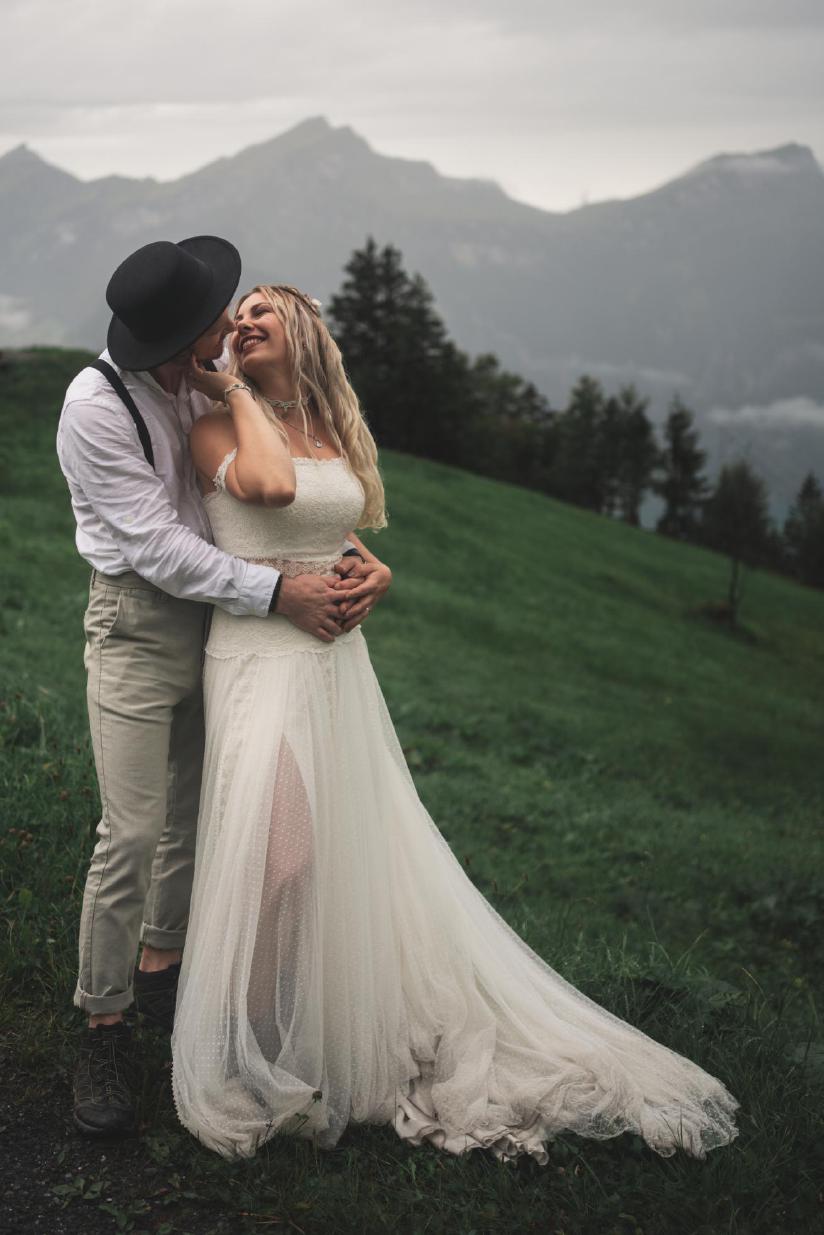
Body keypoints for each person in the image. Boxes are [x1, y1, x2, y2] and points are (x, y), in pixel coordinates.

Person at [171, 284, 740, 1163]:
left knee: (337, 854)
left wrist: (378, 572)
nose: (241, 324)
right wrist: (232, 387)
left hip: (333, 667)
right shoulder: (217, 422)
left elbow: (339, 523)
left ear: (305, 335)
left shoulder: (330, 425)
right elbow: (272, 488)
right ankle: (250, 1048)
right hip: (257, 658)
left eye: (262, 316)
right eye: (235, 317)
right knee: (278, 857)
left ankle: (303, 1032)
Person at [56, 240, 391, 1138]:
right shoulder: (97, 407)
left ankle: (167, 987)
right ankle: (103, 1022)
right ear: (181, 334)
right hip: (138, 625)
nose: (229, 324)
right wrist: (283, 591)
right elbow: (162, 547)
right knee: (128, 831)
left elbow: (254, 511)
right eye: (218, 318)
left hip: (222, 624)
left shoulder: (194, 380)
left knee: (193, 825)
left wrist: (358, 560)